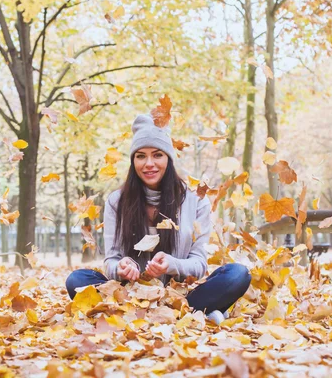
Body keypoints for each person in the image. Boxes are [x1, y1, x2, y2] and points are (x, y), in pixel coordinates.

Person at [65, 114, 251, 324]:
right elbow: (111, 259)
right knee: (77, 280)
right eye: (141, 156)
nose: (149, 163)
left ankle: (173, 311)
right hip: (131, 296)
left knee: (238, 274)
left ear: (168, 159)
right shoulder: (117, 201)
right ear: (133, 160)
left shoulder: (195, 200)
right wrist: (121, 267)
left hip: (181, 295)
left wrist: (172, 265)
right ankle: (197, 313)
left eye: (157, 155)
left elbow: (199, 264)